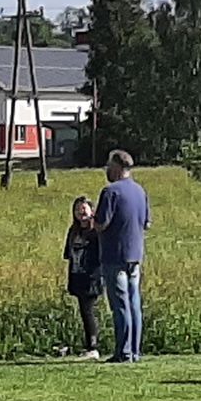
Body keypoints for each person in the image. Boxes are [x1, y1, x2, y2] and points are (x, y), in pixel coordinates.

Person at [95, 150, 150, 363]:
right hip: (135, 253)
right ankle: (134, 350)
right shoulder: (140, 191)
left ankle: (123, 351)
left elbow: (102, 224)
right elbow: (147, 223)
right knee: (134, 302)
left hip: (114, 254)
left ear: (117, 167)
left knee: (120, 304)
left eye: (109, 165)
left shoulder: (111, 192)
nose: (107, 169)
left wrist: (91, 221)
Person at [63, 197, 103, 359]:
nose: (81, 212)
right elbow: (68, 254)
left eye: (84, 208)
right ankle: (89, 345)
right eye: (77, 209)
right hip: (77, 275)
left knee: (88, 310)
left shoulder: (96, 232)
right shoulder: (73, 231)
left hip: (92, 276)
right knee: (84, 310)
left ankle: (93, 346)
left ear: (91, 211)